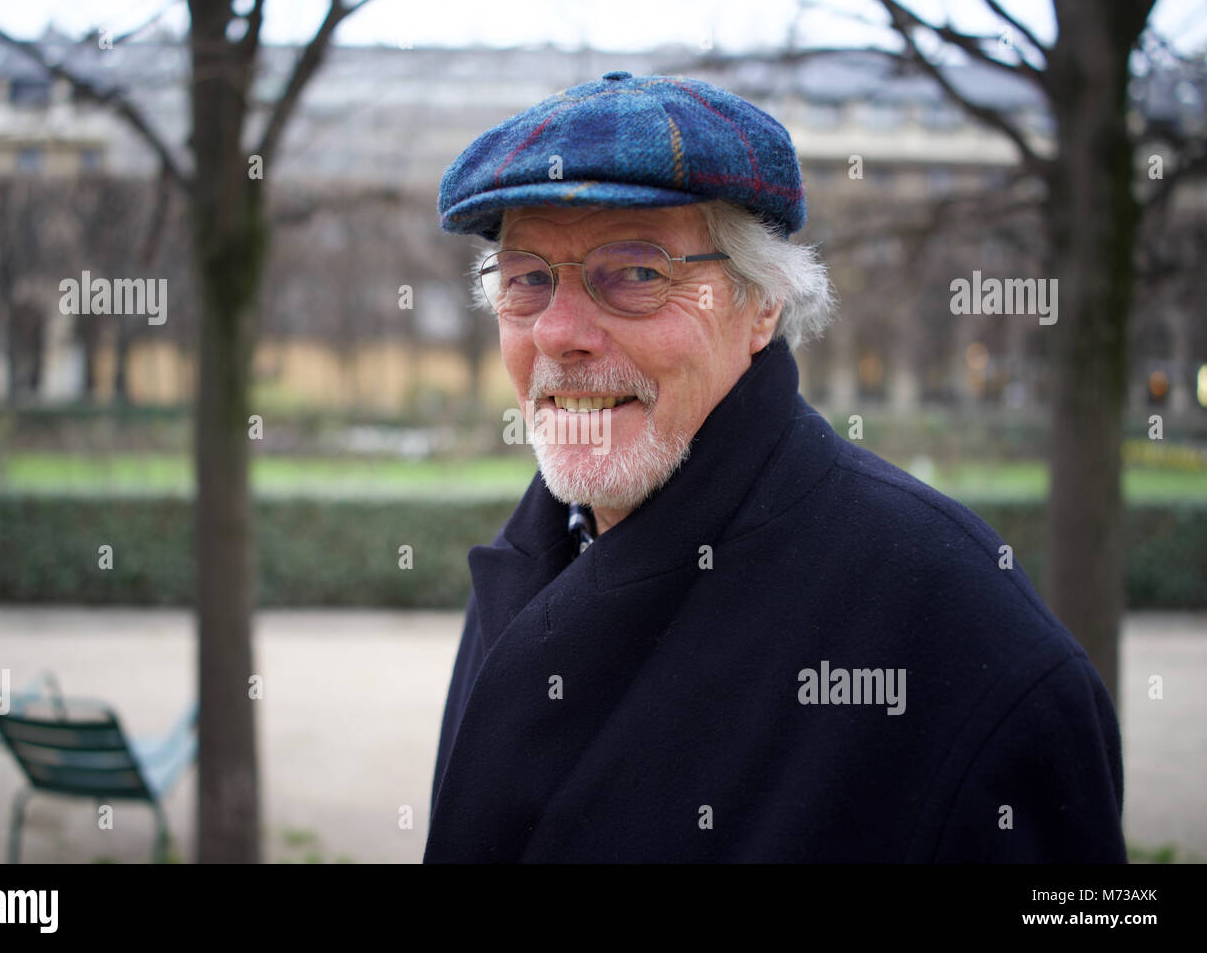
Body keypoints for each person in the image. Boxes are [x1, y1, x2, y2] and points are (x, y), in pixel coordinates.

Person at [423, 71, 1126, 862]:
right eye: (528, 279)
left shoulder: (962, 640)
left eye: (637, 272)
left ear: (761, 306)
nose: (559, 332)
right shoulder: (532, 559)